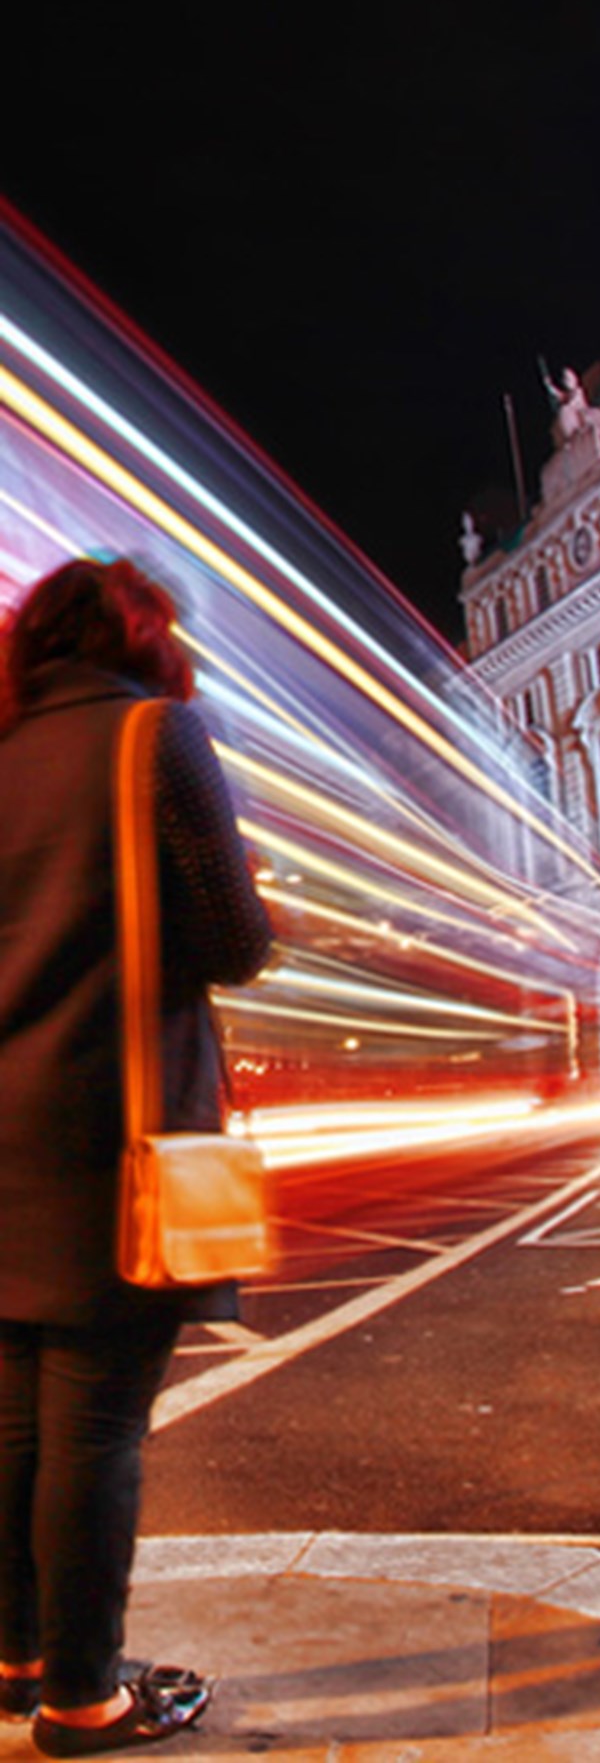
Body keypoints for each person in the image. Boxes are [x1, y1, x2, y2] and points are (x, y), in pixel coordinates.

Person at [0, 557, 273, 1751]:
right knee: (96, 1428)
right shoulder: (156, 740)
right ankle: (83, 1697)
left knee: (12, 1422)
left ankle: (15, 1660)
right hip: (110, 1141)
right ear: (140, 636)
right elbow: (231, 938)